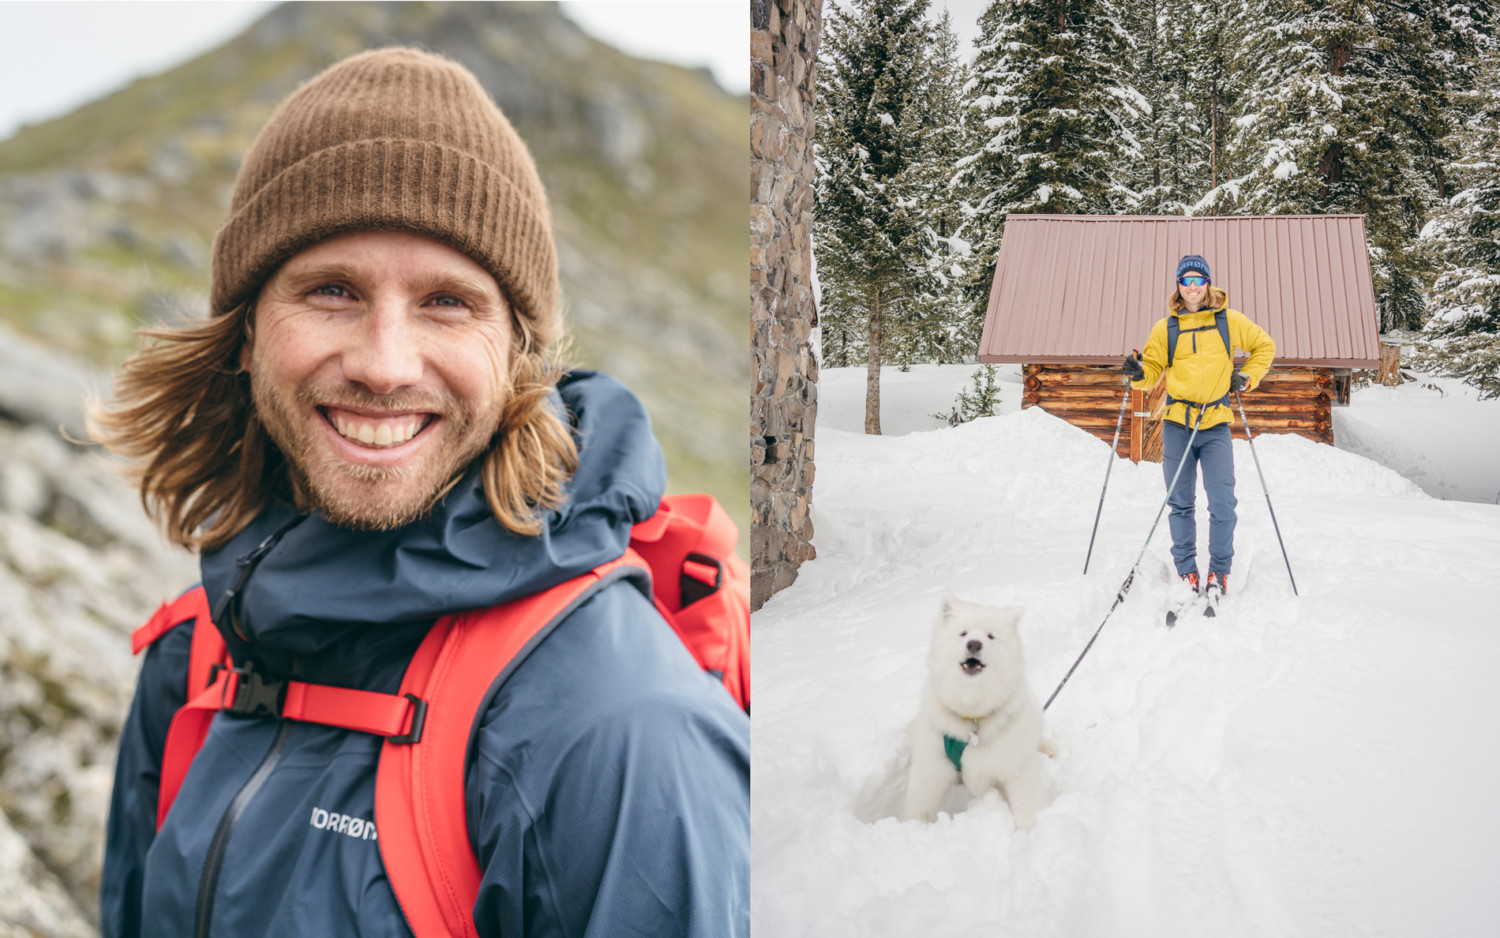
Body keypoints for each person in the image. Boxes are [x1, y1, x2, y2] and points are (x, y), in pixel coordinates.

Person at [93, 48, 748, 938]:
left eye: (448, 302)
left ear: (518, 359)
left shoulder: (621, 738)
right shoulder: (194, 659)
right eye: (330, 290)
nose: (384, 363)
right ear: (245, 333)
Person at [1121, 254, 1275, 602]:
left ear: (1208, 284)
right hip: (1178, 424)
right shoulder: (1166, 328)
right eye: (1186, 281)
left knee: (1223, 504)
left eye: (1198, 280)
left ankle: (1219, 571)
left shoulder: (1229, 321)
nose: (1192, 288)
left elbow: (1264, 346)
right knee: (1180, 502)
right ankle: (1185, 570)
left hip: (1216, 424)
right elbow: (1151, 372)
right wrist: (1137, 374)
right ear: (1178, 286)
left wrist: (1247, 376)